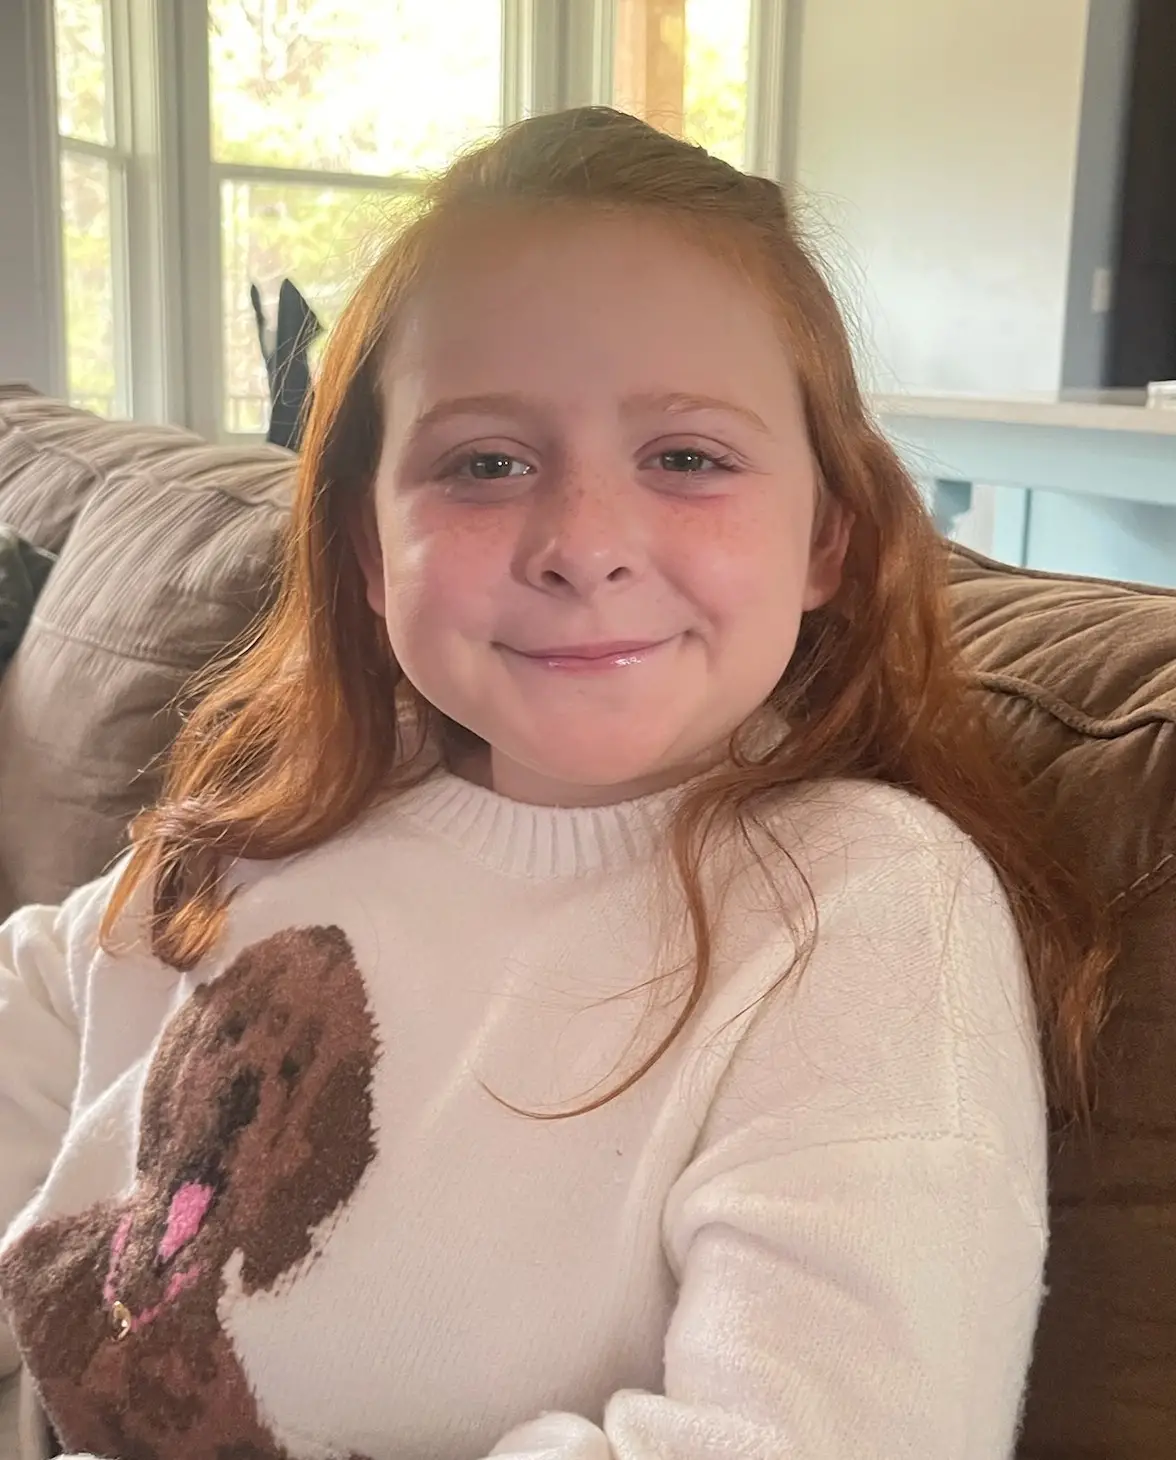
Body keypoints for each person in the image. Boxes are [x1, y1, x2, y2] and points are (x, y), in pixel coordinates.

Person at [0, 107, 1111, 1460]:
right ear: (367, 551)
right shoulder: (291, 810)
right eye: (486, 464)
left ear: (827, 535)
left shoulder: (863, 909)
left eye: (687, 458)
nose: (584, 544)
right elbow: (48, 1003)